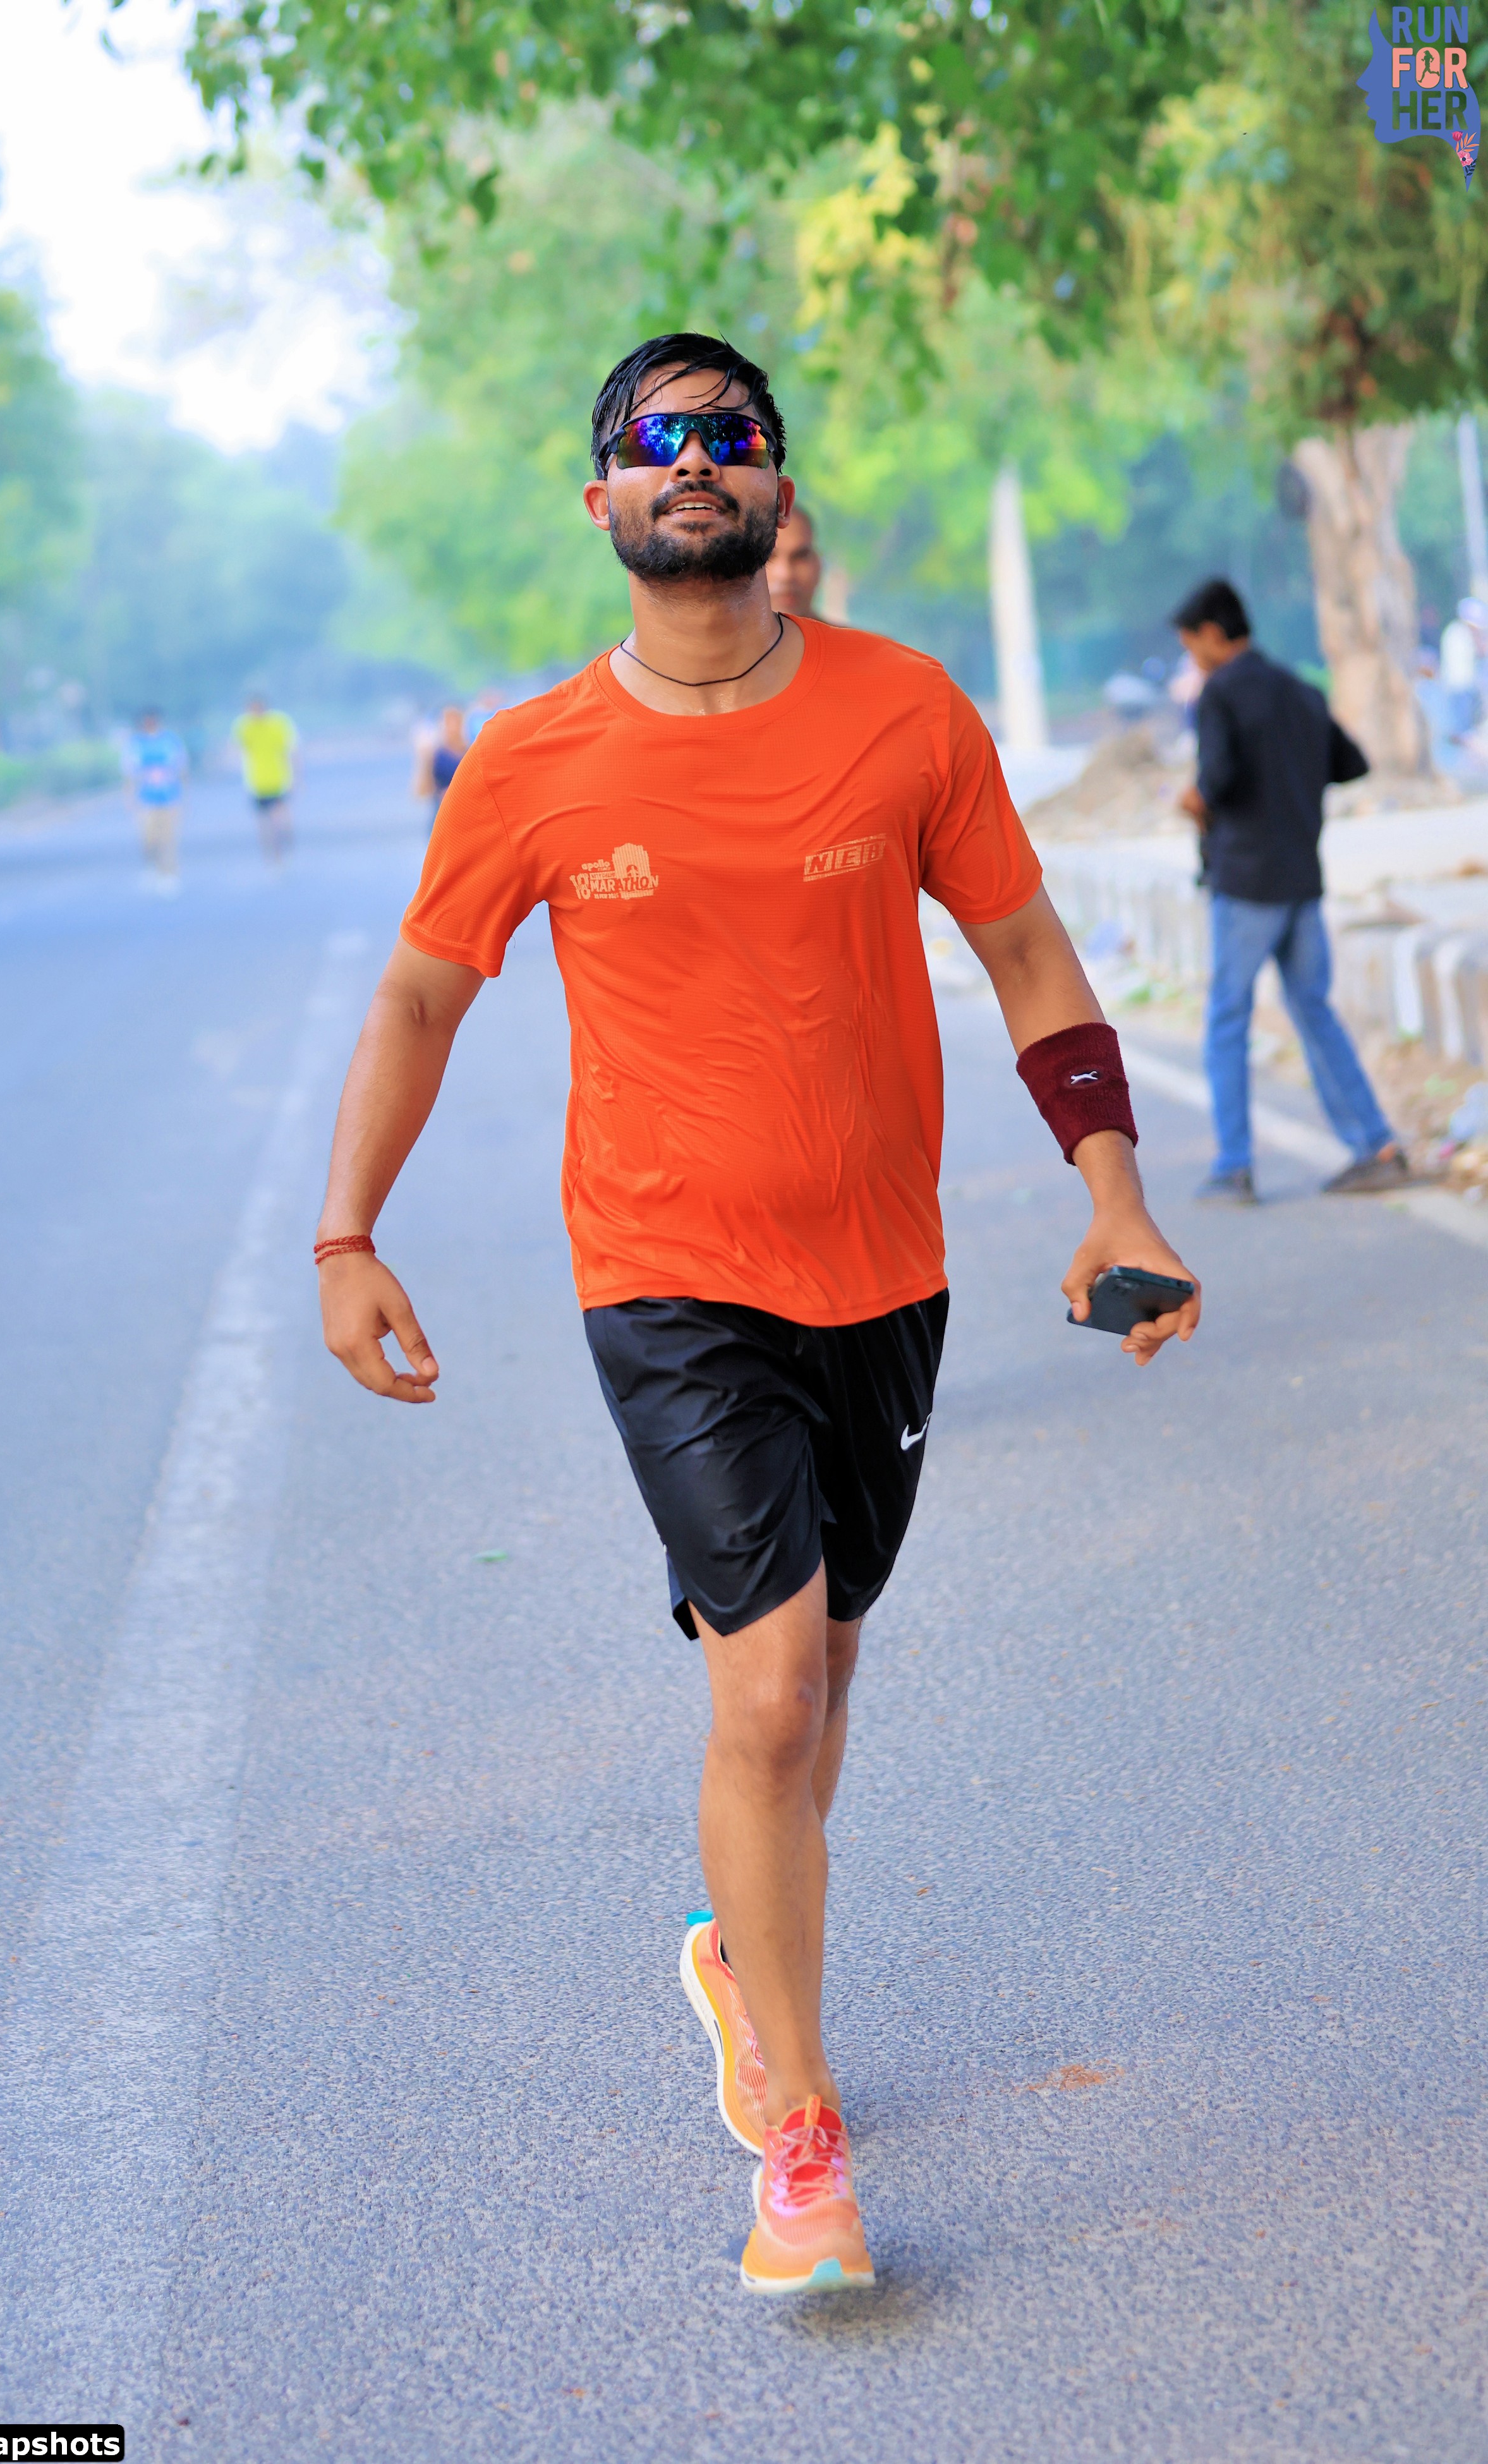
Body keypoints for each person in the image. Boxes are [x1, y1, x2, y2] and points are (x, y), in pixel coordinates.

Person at [315, 333, 1199, 2299]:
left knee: (828, 1665)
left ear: (776, 485)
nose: (693, 458)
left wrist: (1114, 1193)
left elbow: (1024, 946)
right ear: (602, 498)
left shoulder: (904, 711)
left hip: (883, 1274)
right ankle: (801, 2135)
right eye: (655, 438)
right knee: (769, 1690)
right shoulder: (532, 758)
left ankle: (739, 1943)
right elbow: (420, 995)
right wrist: (344, 1233)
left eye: (729, 433)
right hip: (663, 1274)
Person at [1172, 577, 1408, 1200]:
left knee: (1228, 1019)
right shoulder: (1300, 690)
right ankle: (1376, 1144)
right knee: (1313, 1010)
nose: (1193, 659)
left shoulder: (1220, 693)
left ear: (1213, 635)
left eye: (1192, 646)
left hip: (1247, 884)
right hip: (1302, 881)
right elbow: (1350, 764)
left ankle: (1233, 1165)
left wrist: (1196, 800)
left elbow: (1218, 779)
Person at [232, 692, 299, 862]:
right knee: (264, 824)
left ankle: (285, 843)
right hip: (257, 783)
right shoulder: (244, 726)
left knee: (281, 820)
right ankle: (273, 856)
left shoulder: (278, 723)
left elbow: (291, 751)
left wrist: (296, 777)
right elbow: (237, 749)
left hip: (279, 780)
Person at [123, 710, 187, 888]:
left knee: (168, 837)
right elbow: (129, 774)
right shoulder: (136, 744)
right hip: (146, 799)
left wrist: (183, 796)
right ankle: (152, 867)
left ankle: (169, 872)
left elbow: (182, 769)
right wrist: (129, 797)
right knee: (149, 839)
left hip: (169, 797)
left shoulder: (171, 741)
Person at [764, 499, 823, 619]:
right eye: (767, 557)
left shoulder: (851, 633)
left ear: (818, 564)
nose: (786, 574)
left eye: (801, 556)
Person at [1438, 598, 1484, 740]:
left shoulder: (1455, 631)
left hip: (1462, 686)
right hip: (1460, 686)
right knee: (1463, 728)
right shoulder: (1460, 634)